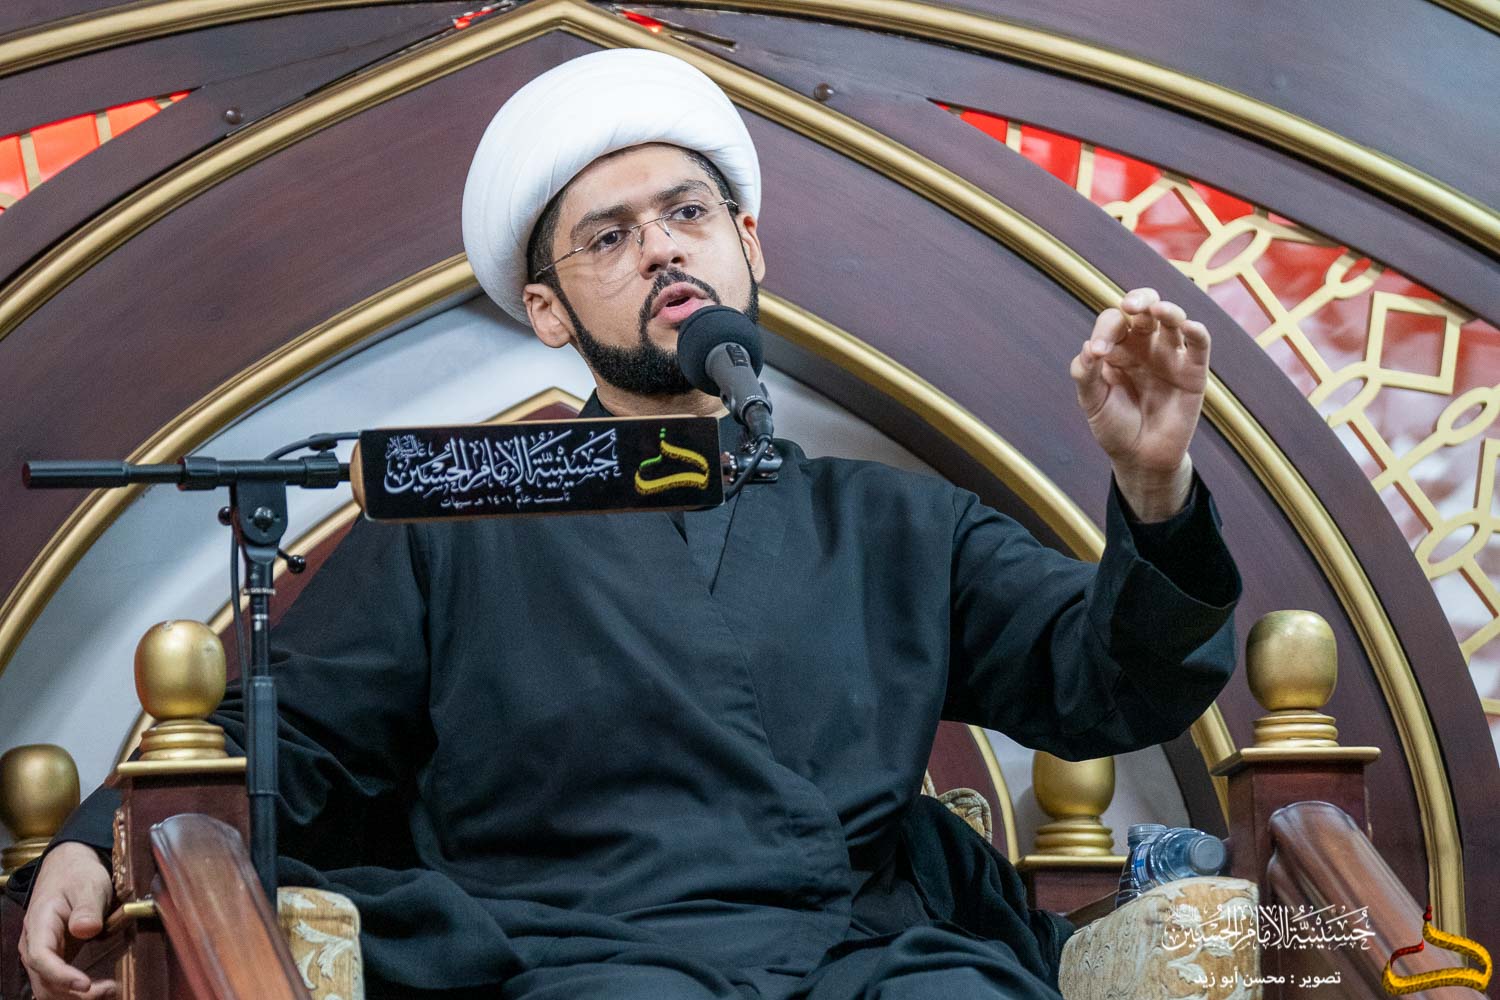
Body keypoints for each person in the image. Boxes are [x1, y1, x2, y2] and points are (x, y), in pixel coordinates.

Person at [12, 48, 1241, 1000]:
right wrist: (89, 842)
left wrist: (1153, 488)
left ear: (748, 242)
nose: (662, 249)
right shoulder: (462, 512)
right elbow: (292, 739)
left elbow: (1112, 684)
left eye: (688, 213)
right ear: (549, 311)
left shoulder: (897, 522)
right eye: (610, 237)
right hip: (589, 958)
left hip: (866, 958)